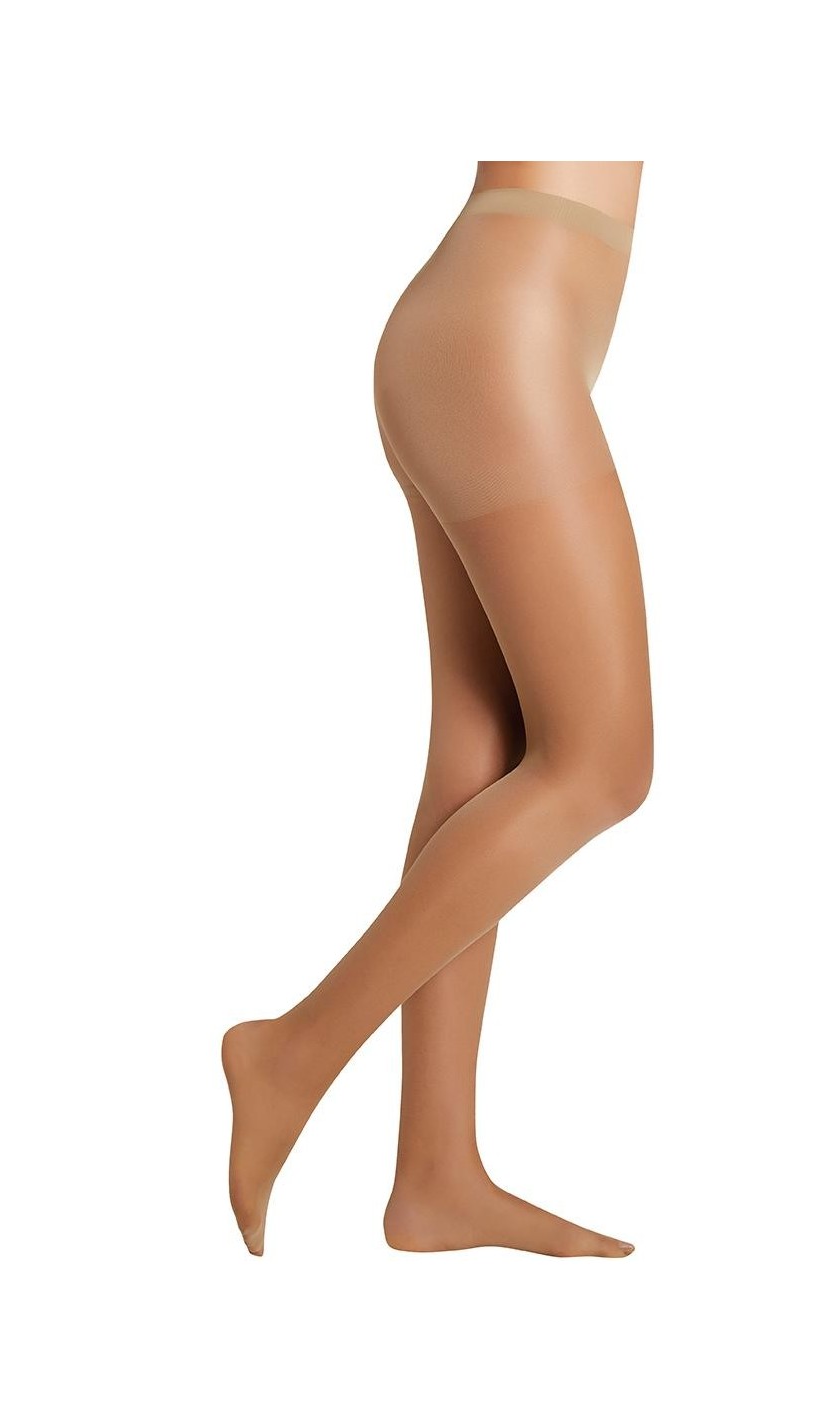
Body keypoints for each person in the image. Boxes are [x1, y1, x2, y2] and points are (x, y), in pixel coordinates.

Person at [223, 161, 653, 1257]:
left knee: (487, 753)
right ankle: (291, 1052)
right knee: (601, 766)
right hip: (503, 328)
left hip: (496, 319)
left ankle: (435, 1174)